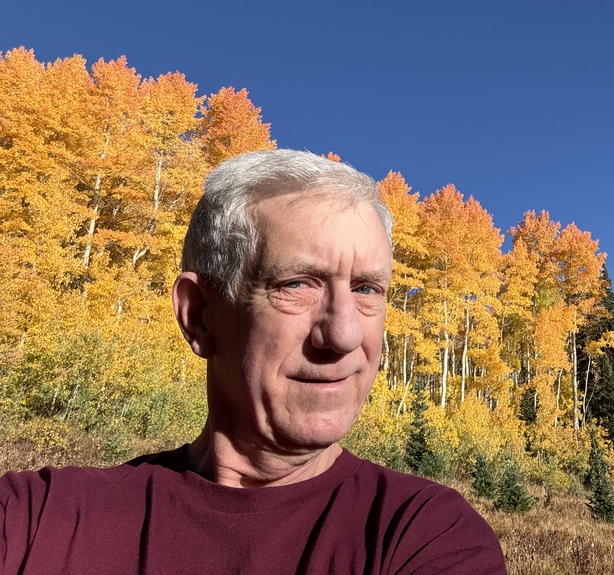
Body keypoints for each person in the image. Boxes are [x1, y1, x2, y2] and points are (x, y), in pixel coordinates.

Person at [0, 149, 507, 574]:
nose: (346, 334)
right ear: (200, 316)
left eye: (367, 289)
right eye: (297, 284)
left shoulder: (425, 538)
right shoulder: (36, 520)